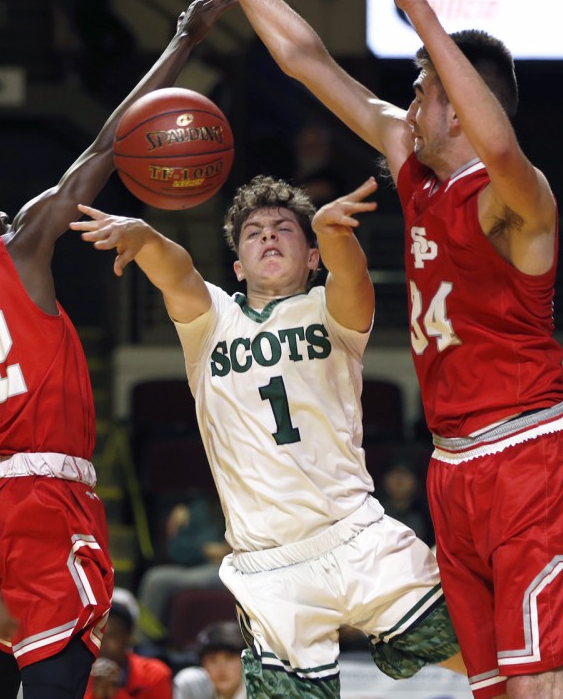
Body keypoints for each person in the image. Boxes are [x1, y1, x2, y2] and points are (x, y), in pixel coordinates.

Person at [233, 0, 563, 697]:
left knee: (539, 681)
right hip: (454, 467)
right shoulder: (413, 166)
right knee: (496, 685)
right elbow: (308, 62)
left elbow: (499, 146)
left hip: (531, 455)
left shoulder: (520, 200)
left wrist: (423, 17)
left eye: (422, 94)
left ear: (461, 108)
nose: (407, 109)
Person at [0, 0, 234, 698]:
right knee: (61, 671)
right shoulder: (17, 250)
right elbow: (108, 145)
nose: (2, 206)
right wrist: (183, 39)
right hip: (42, 496)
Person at [72, 174, 463, 698]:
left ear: (312, 257)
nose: (269, 237)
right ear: (237, 265)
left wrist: (336, 235)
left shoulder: (331, 309)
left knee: (484, 654)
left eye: (285, 229)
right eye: (254, 233)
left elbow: (353, 277)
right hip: (269, 567)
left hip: (356, 534)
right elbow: (179, 273)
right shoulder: (213, 322)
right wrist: (145, 238)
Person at [136, 495, 230, 647]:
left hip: (232, 569)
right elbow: (176, 549)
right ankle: (143, 643)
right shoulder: (200, 508)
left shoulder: (251, 504)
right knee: (155, 578)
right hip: (196, 568)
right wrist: (204, 550)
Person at [84, 596, 172, 699]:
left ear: (128, 638)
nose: (100, 643)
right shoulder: (75, 673)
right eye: (95, 635)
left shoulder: (154, 675)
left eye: (110, 636)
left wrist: (115, 693)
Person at [173, 621, 247, 699]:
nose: (221, 668)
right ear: (203, 664)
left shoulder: (259, 691)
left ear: (245, 661)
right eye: (212, 660)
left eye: (229, 658)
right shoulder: (191, 685)